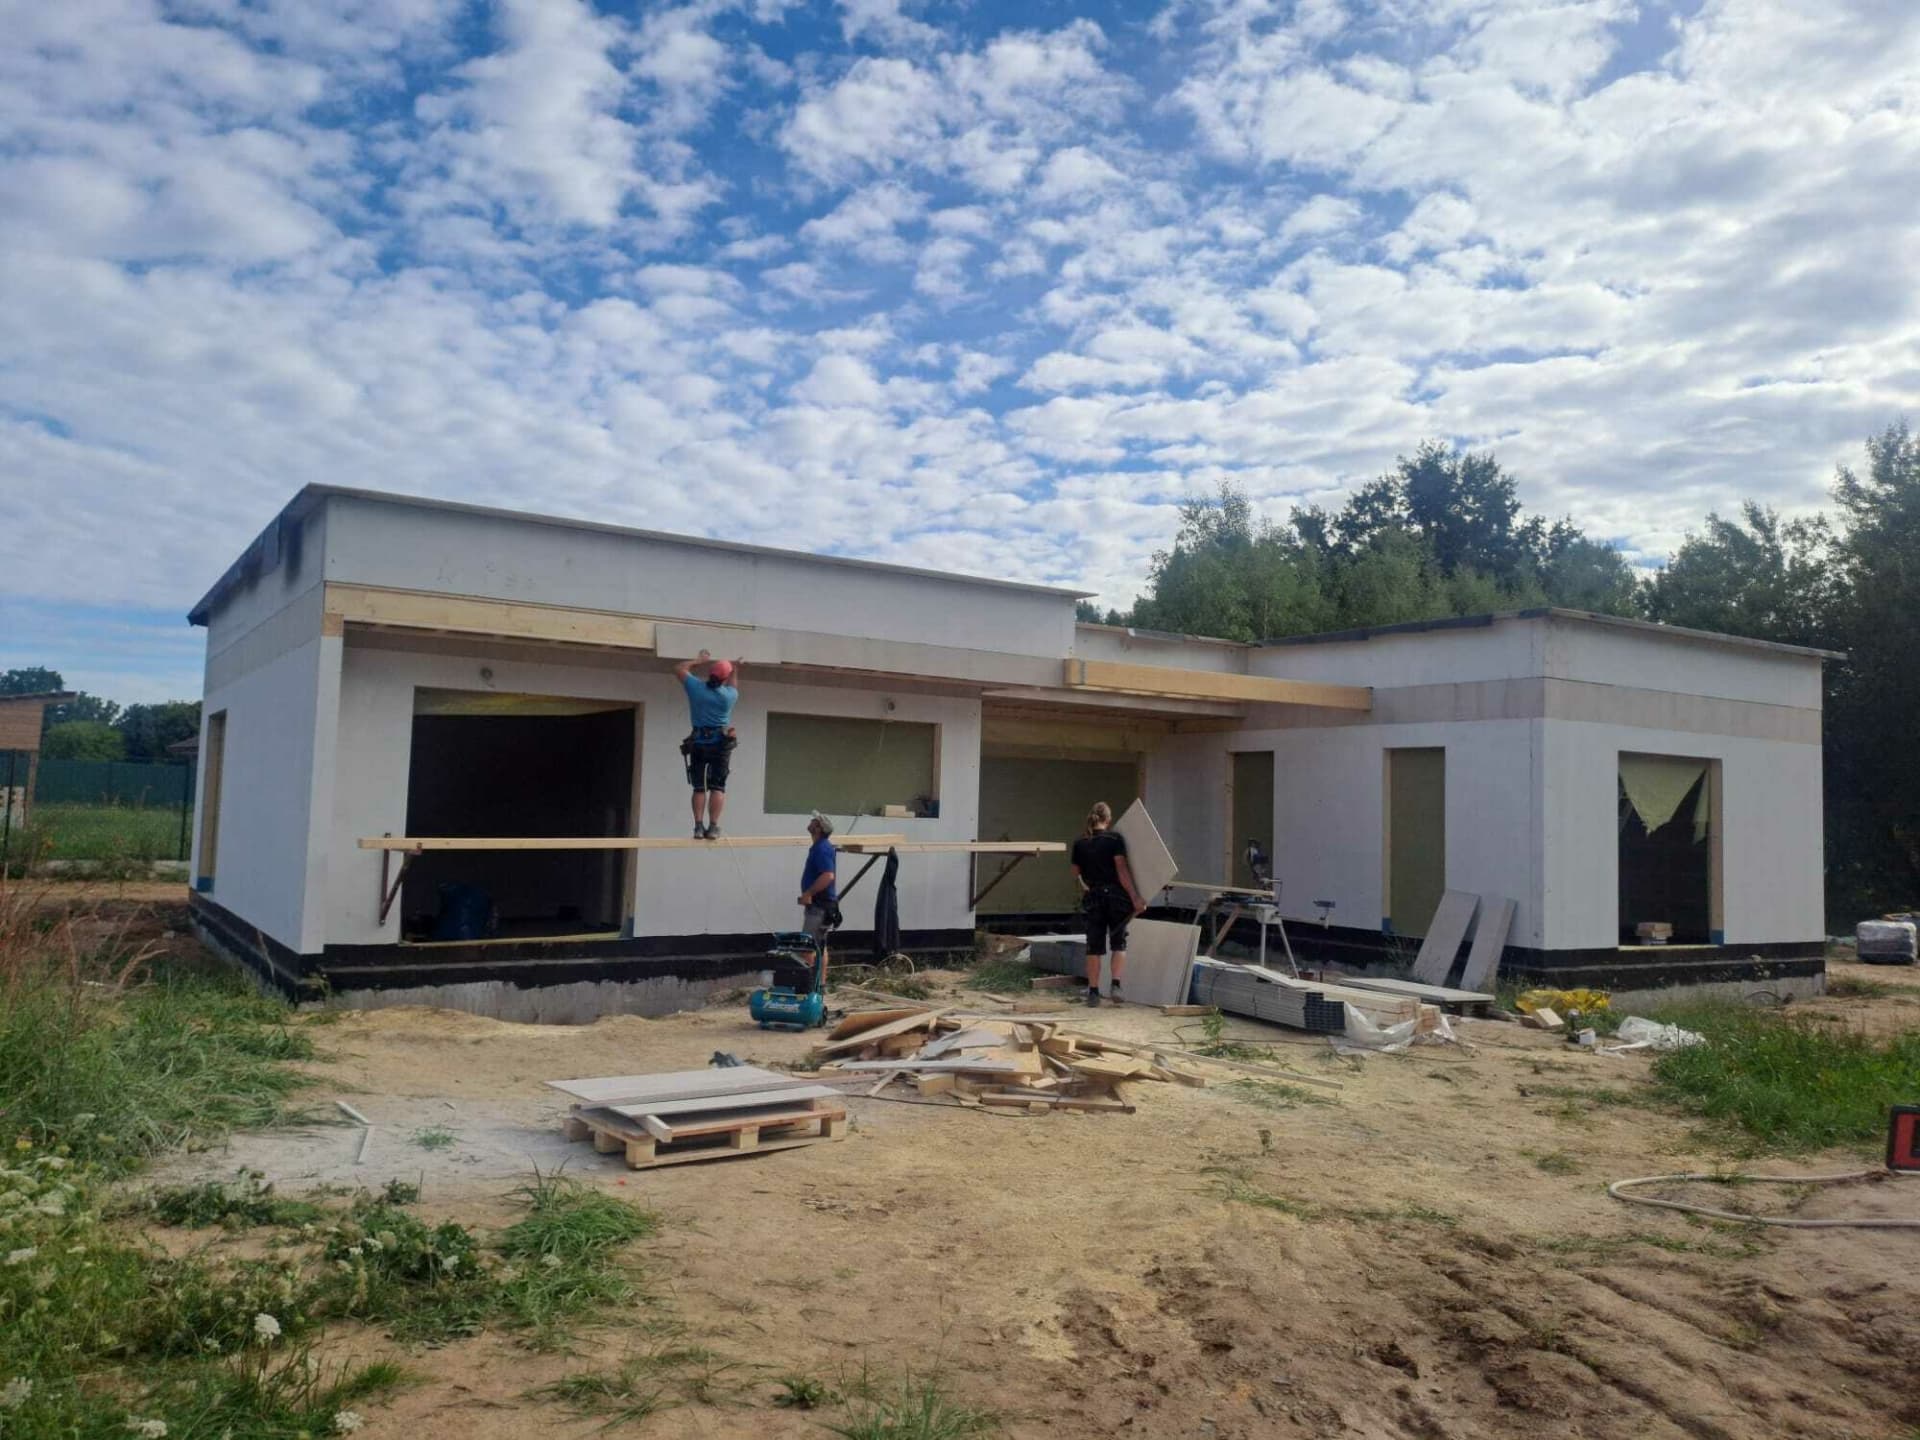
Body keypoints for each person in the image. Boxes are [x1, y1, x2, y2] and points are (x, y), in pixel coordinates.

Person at [1070, 801, 1144, 1007]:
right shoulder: (1115, 839)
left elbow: (1075, 873)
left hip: (1093, 898)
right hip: (1116, 898)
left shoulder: (1079, 843)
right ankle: (1116, 985)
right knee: (1118, 942)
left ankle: (1093, 993)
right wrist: (1135, 897)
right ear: (1108, 820)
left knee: (1093, 946)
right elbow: (1122, 870)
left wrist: (1086, 888)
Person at [674, 649, 741, 839]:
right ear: (725, 678)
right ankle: (712, 827)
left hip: (699, 743)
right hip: (720, 744)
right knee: (718, 787)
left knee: (699, 787)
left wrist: (698, 660)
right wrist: (735, 669)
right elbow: (734, 685)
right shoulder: (728, 696)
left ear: (710, 673)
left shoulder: (696, 688)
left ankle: (698, 826)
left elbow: (679, 668)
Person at [797, 811, 840, 984]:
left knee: (807, 947)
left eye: (814, 821)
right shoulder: (820, 847)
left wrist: (808, 893)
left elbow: (828, 876)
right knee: (820, 946)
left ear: (819, 828)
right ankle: (819, 985)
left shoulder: (822, 848)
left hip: (819, 907)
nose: (811, 821)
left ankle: (810, 985)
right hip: (822, 906)